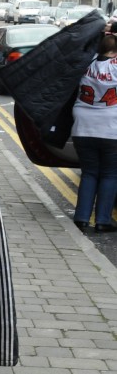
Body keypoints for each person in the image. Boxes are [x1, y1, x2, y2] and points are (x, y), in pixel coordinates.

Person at [71, 34, 117, 233]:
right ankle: (102, 220)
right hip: (111, 127)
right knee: (109, 175)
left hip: (82, 125)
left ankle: (81, 218)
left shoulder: (85, 64)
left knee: (89, 173)